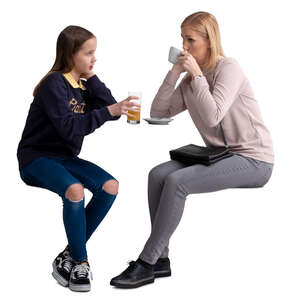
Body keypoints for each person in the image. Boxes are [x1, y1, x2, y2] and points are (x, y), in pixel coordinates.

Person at [110, 11, 274, 289]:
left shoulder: (228, 68)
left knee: (176, 181)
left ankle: (146, 262)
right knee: (157, 174)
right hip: (220, 154)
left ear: (209, 41)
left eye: (191, 40)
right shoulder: (189, 81)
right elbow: (158, 111)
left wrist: (196, 75)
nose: (184, 47)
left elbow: (213, 117)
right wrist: (175, 73)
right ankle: (161, 258)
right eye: (182, 39)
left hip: (253, 159)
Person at [17, 25, 139, 292]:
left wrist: (92, 78)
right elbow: (71, 127)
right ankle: (81, 261)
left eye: (94, 53)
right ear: (71, 54)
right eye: (88, 53)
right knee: (74, 190)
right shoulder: (54, 84)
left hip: (64, 157)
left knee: (110, 186)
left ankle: (68, 255)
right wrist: (108, 110)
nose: (94, 58)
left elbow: (112, 109)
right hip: (35, 159)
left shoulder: (82, 86)